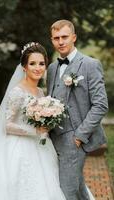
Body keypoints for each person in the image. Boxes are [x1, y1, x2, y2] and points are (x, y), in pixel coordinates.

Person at [0, 42, 67, 200]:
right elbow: (7, 125)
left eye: (41, 63)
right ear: (24, 67)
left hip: (41, 146)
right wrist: (35, 131)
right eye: (32, 63)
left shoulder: (41, 92)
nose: (37, 68)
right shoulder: (17, 92)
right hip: (18, 147)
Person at [47, 19, 108, 200]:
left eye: (65, 36)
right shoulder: (51, 68)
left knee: (66, 191)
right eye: (56, 38)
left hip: (74, 139)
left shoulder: (90, 64)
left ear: (74, 37)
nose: (61, 41)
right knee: (78, 188)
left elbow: (100, 104)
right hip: (53, 138)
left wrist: (80, 136)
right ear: (52, 40)